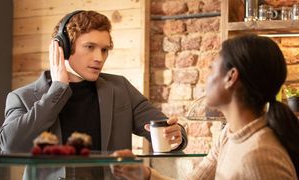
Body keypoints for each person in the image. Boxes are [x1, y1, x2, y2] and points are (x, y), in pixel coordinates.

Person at [0, 10, 187, 153]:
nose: (99, 58)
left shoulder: (121, 89)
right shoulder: (22, 97)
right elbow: (10, 145)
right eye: (90, 47)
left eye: (104, 50)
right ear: (63, 47)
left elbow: (164, 127)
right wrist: (58, 89)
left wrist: (175, 135)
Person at [112, 34, 299, 180]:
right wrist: (143, 173)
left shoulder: (260, 156)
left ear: (231, 77)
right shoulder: (229, 134)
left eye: (211, 69)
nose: (206, 79)